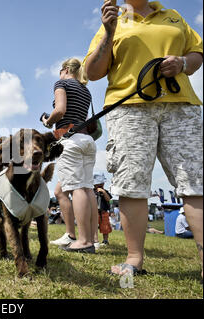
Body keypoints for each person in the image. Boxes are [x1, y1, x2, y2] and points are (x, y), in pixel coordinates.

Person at [84, 0, 203, 276]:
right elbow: (92, 72)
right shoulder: (112, 21)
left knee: (195, 180)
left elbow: (197, 53)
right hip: (129, 109)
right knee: (132, 181)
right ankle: (134, 258)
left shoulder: (173, 16)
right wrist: (109, 31)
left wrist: (183, 63)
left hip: (181, 106)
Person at [42, 58, 98, 253]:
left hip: (70, 140)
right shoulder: (86, 90)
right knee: (88, 188)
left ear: (65, 69)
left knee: (77, 189)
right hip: (87, 140)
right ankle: (91, 238)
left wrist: (48, 121)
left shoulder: (62, 83)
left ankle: (83, 241)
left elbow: (60, 110)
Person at [93, 173, 112, 245]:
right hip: (94, 212)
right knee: (93, 226)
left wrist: (103, 192)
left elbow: (108, 199)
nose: (100, 185)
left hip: (104, 212)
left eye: (101, 183)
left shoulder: (105, 192)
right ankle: (94, 240)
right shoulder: (92, 191)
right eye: (98, 184)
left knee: (105, 227)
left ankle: (105, 240)